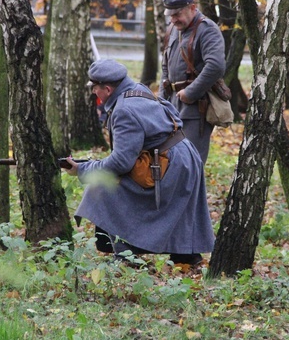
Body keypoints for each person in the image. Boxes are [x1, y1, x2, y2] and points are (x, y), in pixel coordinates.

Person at [63, 59, 215, 266]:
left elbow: (121, 164)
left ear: (107, 89)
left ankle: (126, 256)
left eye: (95, 89)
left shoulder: (124, 109)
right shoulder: (137, 89)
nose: (94, 93)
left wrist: (83, 169)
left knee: (101, 188)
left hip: (168, 163)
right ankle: (186, 258)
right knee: (180, 210)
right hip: (182, 157)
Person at [159, 0, 225, 163]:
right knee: (172, 161)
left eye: (177, 14)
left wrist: (190, 92)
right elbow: (165, 66)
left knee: (191, 162)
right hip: (171, 105)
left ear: (192, 8)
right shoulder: (174, 28)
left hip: (195, 108)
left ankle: (194, 192)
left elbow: (216, 66)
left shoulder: (207, 29)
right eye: (171, 15)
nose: (173, 19)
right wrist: (160, 100)